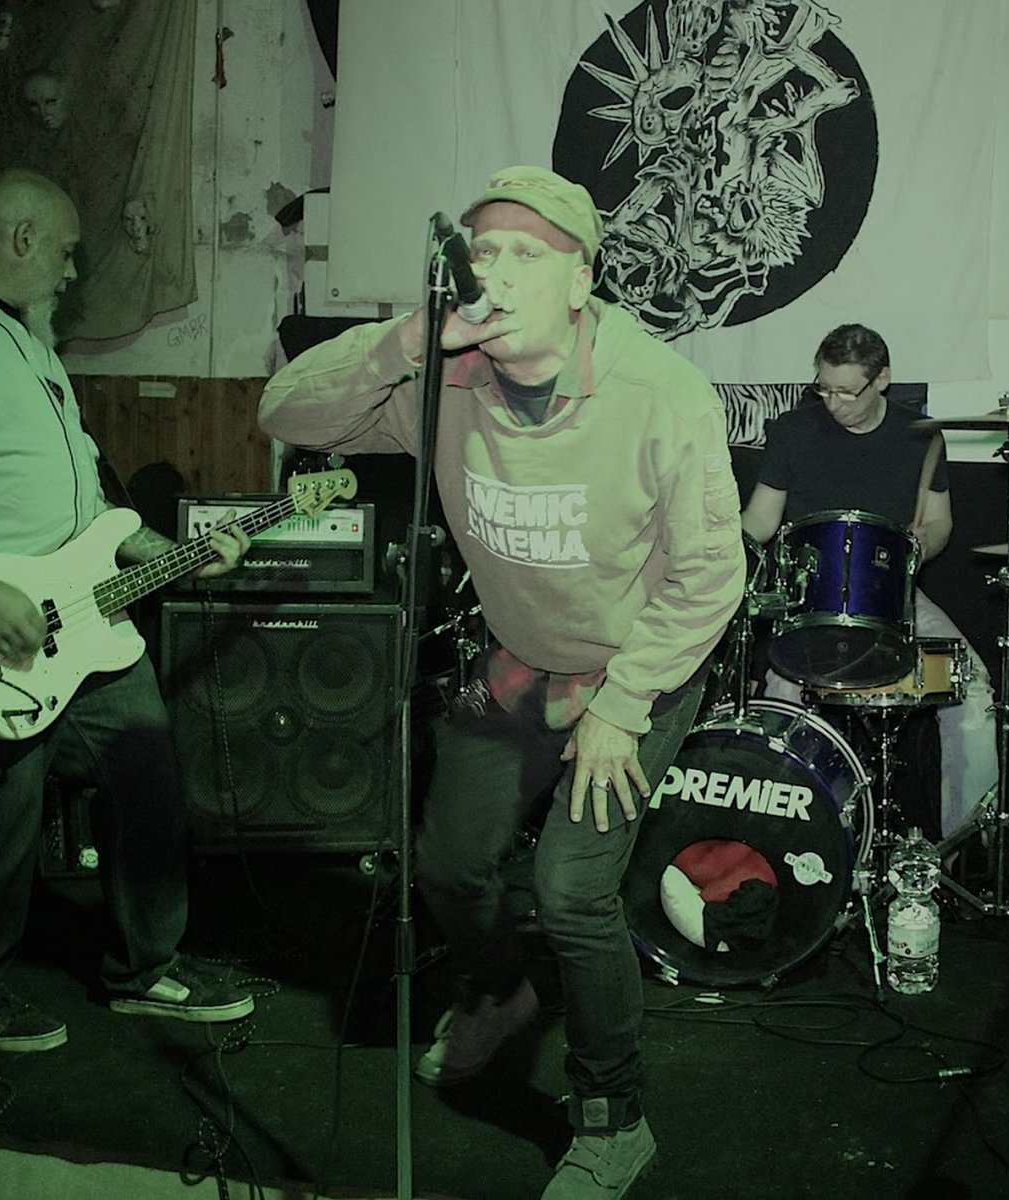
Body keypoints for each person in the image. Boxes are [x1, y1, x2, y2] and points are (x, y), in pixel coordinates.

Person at [260, 165, 745, 1199]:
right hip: (518, 663)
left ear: (581, 280)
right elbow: (287, 415)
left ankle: (613, 1118)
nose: (499, 270)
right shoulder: (450, 382)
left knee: (571, 891)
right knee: (444, 865)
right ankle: (497, 994)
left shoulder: (660, 393)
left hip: (636, 672)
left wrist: (622, 707)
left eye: (529, 253)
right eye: (485, 251)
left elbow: (711, 575)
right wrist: (407, 341)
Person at [0, 168, 254, 1052]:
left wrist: (154, 547)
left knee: (145, 772)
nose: (73, 270)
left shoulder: (33, 343)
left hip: (81, 618)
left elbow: (87, 500)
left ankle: (146, 970)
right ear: (22, 238)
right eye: (68, 251)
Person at [740, 323, 998, 839]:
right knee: (780, 699)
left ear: (882, 380)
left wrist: (926, 542)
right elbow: (761, 521)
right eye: (824, 388)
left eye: (846, 392)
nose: (833, 403)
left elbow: (940, 521)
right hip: (810, 599)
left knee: (973, 691)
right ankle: (777, 843)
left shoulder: (920, 437)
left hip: (894, 596)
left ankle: (961, 848)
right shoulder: (793, 431)